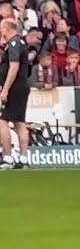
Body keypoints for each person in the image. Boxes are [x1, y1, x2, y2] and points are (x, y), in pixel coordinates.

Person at [0, 19, 32, 169]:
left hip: (15, 87)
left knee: (2, 121)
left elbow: (14, 67)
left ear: (7, 28)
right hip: (22, 86)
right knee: (20, 122)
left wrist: (5, 89)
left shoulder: (14, 44)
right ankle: (24, 158)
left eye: (1, 28)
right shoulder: (21, 43)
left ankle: (7, 157)